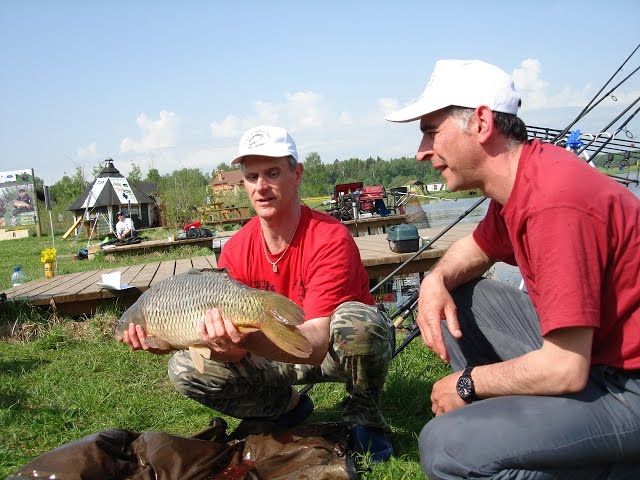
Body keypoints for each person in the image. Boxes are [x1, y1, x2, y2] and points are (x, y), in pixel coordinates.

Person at [385, 59, 640, 478]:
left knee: (444, 444)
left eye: (431, 131)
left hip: (625, 385)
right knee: (461, 300)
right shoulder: (520, 183)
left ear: (481, 123)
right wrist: (434, 281)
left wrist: (467, 383)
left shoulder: (554, 202)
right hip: (596, 359)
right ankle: (536, 444)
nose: (421, 152)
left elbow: (564, 367)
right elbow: (475, 248)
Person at [120, 125, 394, 462]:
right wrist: (184, 341)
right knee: (183, 368)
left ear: (297, 174)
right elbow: (234, 354)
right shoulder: (236, 248)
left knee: (362, 322)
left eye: (272, 173)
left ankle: (364, 417)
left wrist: (247, 338)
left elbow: (316, 345)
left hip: (337, 351)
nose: (261, 186)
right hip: (275, 355)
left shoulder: (329, 237)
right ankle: (286, 408)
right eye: (252, 176)